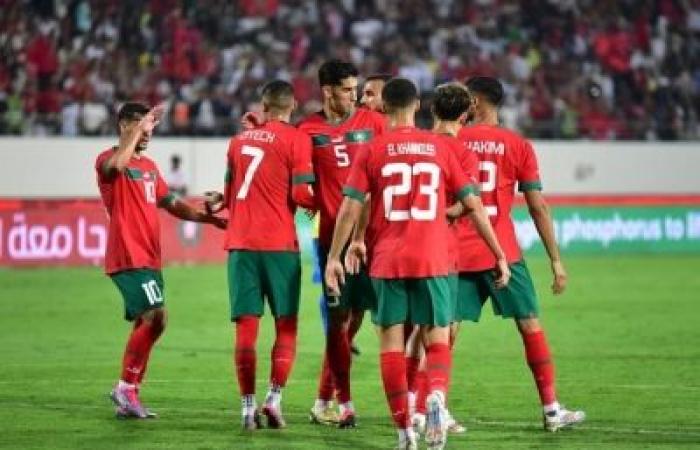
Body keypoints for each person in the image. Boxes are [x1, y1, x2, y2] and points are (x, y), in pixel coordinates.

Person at [326, 78, 510, 450]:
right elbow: (472, 203)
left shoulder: (373, 149)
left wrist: (336, 255)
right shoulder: (439, 147)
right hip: (434, 256)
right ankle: (437, 397)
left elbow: (351, 206)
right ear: (417, 106)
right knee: (436, 337)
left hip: (389, 258)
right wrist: (500, 253)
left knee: (392, 343)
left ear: (386, 108)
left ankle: (404, 432)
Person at [455, 76, 585, 431]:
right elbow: (538, 206)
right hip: (504, 252)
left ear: (476, 102)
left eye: (465, 98)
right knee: (529, 325)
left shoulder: (452, 139)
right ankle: (551, 409)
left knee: (443, 333)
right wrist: (556, 261)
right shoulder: (518, 145)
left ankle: (429, 410)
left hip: (458, 251)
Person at [95, 102, 225, 419]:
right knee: (156, 315)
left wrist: (206, 219)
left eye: (151, 126)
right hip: (127, 253)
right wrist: (138, 129)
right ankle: (125, 388)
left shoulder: (151, 167)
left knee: (153, 319)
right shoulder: (107, 160)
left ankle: (129, 392)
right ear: (124, 124)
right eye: (141, 125)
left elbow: (172, 203)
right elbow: (116, 167)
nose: (148, 132)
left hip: (150, 256)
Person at [217, 80, 315, 430]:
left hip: (241, 244)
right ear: (293, 106)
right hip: (279, 246)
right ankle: (273, 399)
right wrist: (327, 203)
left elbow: (228, 196)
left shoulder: (238, 141)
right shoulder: (297, 139)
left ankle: (246, 407)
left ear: (263, 105)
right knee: (285, 325)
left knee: (246, 327)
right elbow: (303, 192)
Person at [299, 59, 386, 428]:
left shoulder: (373, 123)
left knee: (360, 322)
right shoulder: (307, 130)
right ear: (328, 90)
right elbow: (298, 181)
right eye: (348, 89)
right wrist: (309, 200)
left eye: (357, 89)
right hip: (332, 241)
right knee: (339, 322)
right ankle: (337, 403)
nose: (355, 96)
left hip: (375, 240)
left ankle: (325, 399)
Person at [405, 82, 480, 435]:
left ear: (432, 110)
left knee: (413, 332)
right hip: (444, 252)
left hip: (405, 246)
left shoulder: (418, 142)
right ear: (466, 114)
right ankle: (431, 404)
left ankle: (411, 404)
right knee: (442, 332)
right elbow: (467, 203)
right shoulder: (462, 153)